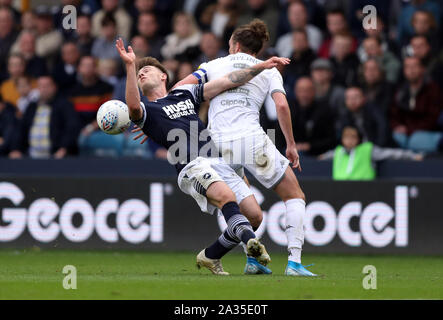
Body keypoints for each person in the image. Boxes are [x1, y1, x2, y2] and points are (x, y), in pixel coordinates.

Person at [116, 38, 289, 275]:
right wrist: (129, 65)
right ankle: (252, 243)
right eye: (138, 74)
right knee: (226, 198)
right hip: (191, 167)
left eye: (146, 70)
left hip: (216, 160)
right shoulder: (147, 111)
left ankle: (210, 255)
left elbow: (227, 82)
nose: (141, 73)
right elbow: (134, 107)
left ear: (164, 76)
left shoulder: (184, 94)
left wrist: (262, 66)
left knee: (254, 216)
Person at [172, 19, 316, 276]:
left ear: (235, 45)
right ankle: (294, 263)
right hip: (251, 140)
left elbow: (179, 89)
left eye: (229, 46)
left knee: (241, 208)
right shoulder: (269, 69)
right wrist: (291, 145)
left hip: (215, 146)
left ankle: (251, 261)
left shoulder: (213, 65)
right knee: (293, 196)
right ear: (256, 50)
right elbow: (282, 106)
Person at [9, 76, 79, 159]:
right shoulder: (31, 107)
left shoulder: (64, 105)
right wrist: (16, 149)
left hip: (55, 155)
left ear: (54, 87)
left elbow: (72, 127)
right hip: (30, 156)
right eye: (41, 86)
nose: (44, 89)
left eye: (47, 86)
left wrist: (64, 148)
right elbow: (21, 129)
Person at [319, 125, 424, 180]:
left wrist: (412, 156)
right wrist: (321, 157)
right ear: (342, 139)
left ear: (358, 139)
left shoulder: (368, 150)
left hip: (365, 189)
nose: (349, 141)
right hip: (340, 190)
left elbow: (391, 153)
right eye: (346, 137)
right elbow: (325, 156)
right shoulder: (338, 152)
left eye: (353, 137)